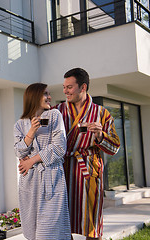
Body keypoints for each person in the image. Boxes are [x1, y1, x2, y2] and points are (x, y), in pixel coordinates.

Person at [54, 68, 120, 240]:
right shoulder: (57, 111)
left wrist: (100, 136)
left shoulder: (101, 114)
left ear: (83, 87)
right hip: (62, 172)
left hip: (88, 172)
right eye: (64, 87)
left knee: (92, 223)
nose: (65, 91)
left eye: (69, 87)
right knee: (62, 222)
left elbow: (115, 148)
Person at [14, 83, 71, 240]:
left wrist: (31, 160)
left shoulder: (54, 115)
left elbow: (59, 147)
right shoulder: (20, 125)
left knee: (48, 234)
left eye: (49, 93)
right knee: (32, 233)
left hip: (51, 180)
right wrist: (31, 131)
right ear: (34, 96)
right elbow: (19, 151)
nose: (49, 97)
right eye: (45, 94)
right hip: (29, 183)